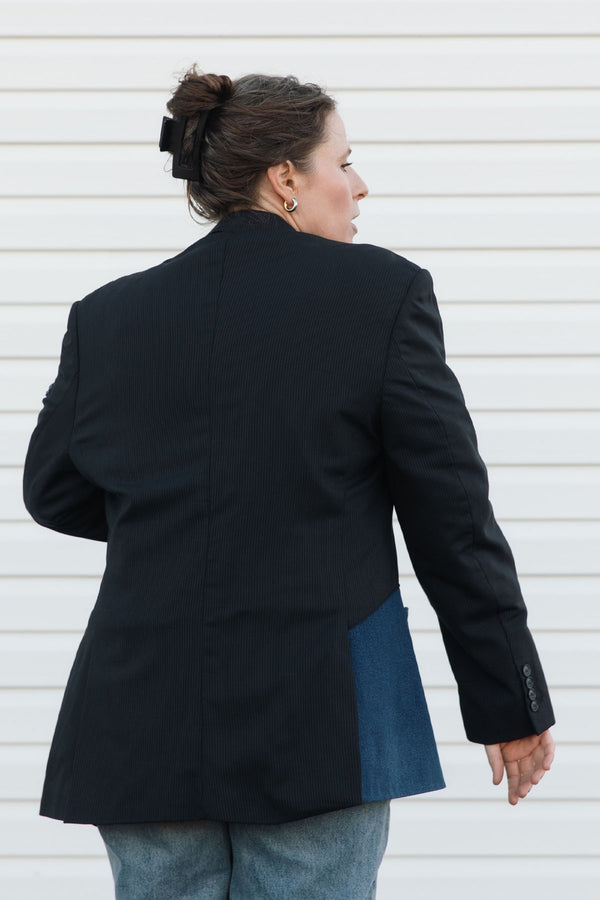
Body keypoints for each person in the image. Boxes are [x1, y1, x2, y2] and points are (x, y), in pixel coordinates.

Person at [23, 67, 555, 900]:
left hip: (140, 714)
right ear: (285, 179)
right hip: (322, 714)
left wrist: (193, 509)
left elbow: (53, 491)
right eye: (344, 161)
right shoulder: (382, 294)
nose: (359, 185)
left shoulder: (107, 315)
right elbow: (452, 520)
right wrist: (509, 703)